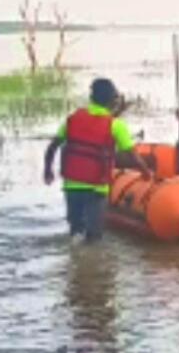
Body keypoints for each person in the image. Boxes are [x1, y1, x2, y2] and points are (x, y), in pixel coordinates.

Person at [43, 78, 150, 242]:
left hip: (72, 185)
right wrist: (146, 172)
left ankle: (76, 260)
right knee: (94, 237)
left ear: (91, 98)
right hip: (96, 188)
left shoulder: (72, 119)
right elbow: (132, 155)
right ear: (112, 100)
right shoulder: (116, 125)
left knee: (76, 232)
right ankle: (92, 264)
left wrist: (48, 170)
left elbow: (52, 147)